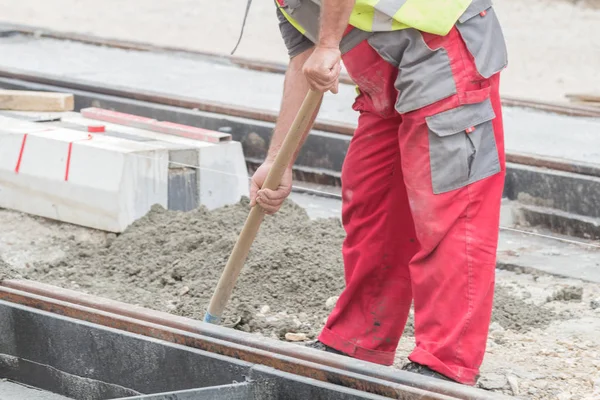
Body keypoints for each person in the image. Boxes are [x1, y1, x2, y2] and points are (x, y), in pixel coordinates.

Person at [249, 0, 508, 385]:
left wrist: (328, 44)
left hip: (445, 48)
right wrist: (279, 160)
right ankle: (357, 342)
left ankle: (443, 366)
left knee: (451, 211)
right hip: (385, 75)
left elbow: (322, 48)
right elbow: (304, 58)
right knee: (372, 199)